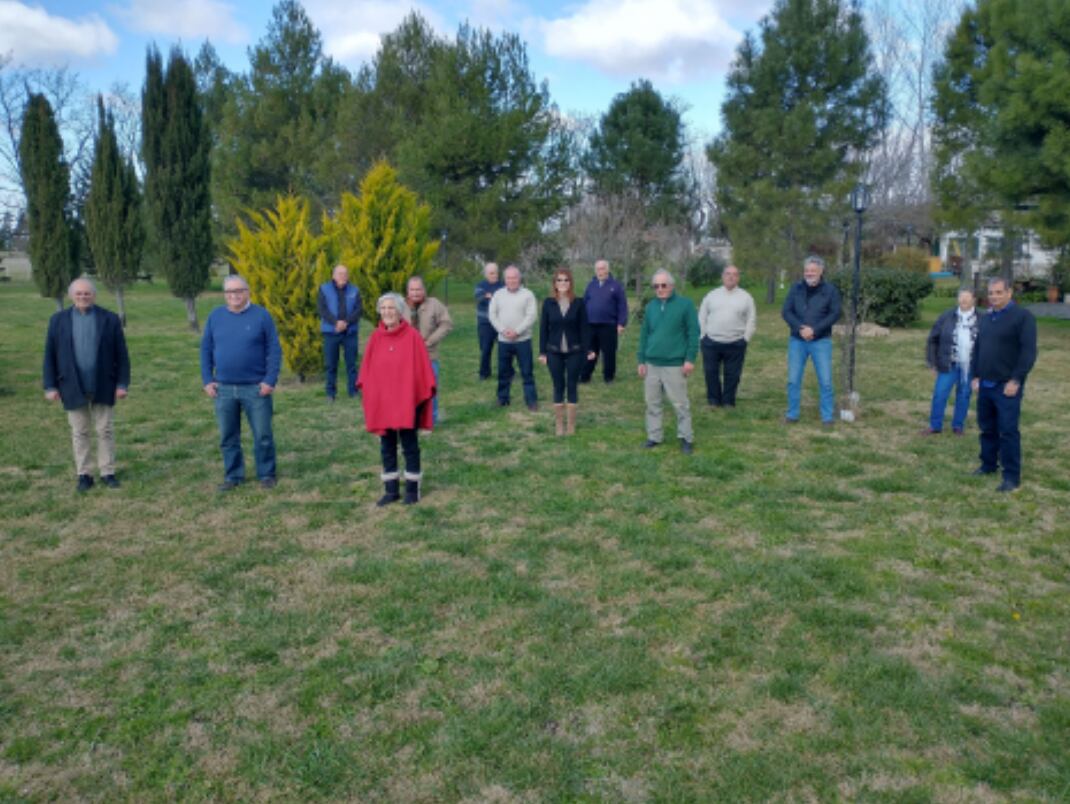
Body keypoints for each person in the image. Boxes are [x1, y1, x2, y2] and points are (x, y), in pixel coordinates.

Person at [42, 277, 131, 492]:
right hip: (72, 385)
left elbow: (122, 355)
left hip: (103, 384)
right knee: (80, 431)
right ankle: (85, 474)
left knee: (105, 430)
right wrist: (50, 386)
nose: (83, 297)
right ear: (72, 296)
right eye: (79, 294)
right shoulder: (58, 321)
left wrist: (122, 384)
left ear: (94, 295)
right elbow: (50, 355)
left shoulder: (109, 319)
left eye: (87, 293)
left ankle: (107, 472)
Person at [200, 275, 282, 492]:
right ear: (225, 295)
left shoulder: (262, 316)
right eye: (229, 292)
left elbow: (274, 350)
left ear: (247, 292)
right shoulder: (215, 317)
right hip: (224, 388)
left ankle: (266, 473)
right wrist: (208, 379)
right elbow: (206, 349)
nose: (234, 296)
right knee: (228, 436)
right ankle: (234, 475)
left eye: (238, 291)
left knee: (263, 435)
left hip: (256, 388)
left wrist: (269, 380)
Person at [358, 293, 436, 505]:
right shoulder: (375, 338)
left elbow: (422, 371)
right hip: (384, 402)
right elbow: (367, 372)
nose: (387, 312)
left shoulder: (412, 336)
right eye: (383, 308)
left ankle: (412, 490)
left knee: (409, 444)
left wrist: (416, 396)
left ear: (400, 311)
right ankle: (391, 490)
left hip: (407, 401)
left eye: (391, 308)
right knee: (387, 445)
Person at [970, 277, 1037, 492]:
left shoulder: (1022, 317)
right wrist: (975, 375)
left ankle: (1011, 476)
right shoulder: (987, 318)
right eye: (991, 293)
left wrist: (1016, 379)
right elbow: (978, 348)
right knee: (987, 428)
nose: (994, 297)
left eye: (999, 292)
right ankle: (988, 464)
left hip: (1007, 386)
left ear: (1009, 293)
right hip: (985, 385)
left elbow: (1028, 352)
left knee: (1007, 431)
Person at [638, 269, 700, 454]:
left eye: (663, 285)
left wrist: (690, 359)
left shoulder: (685, 305)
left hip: (674, 363)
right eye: (656, 286)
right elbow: (644, 335)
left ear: (672, 286)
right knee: (652, 403)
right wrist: (641, 360)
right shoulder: (650, 307)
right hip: (652, 363)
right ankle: (654, 436)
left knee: (680, 403)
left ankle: (686, 437)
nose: (660, 289)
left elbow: (693, 333)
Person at [781, 255, 842, 426]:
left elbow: (835, 313)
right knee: (793, 380)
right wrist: (801, 328)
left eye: (813, 271)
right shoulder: (796, 288)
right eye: (807, 270)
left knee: (825, 381)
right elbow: (786, 311)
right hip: (797, 340)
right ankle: (792, 415)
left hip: (821, 341)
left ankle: (827, 417)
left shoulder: (830, 290)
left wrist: (815, 330)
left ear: (821, 271)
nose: (809, 273)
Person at [539, 268, 595, 435]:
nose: (562, 283)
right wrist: (542, 352)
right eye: (559, 280)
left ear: (570, 283)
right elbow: (543, 329)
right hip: (553, 351)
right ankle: (559, 424)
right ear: (555, 283)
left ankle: (571, 425)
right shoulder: (548, 303)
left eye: (566, 280)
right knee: (558, 385)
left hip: (575, 351)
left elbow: (585, 328)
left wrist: (589, 349)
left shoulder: (579, 303)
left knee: (571, 385)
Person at [698, 264, 757, 408]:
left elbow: (751, 319)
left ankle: (728, 401)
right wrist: (703, 335)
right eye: (728, 274)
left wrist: (745, 338)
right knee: (711, 372)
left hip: (735, 342)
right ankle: (713, 400)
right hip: (711, 342)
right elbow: (702, 316)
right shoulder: (712, 295)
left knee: (733, 375)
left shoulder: (746, 297)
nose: (731, 277)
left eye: (735, 274)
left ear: (738, 278)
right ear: (722, 276)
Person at [923, 288, 979, 435]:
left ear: (974, 299)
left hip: (970, 365)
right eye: (961, 297)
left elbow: (988, 344)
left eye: (967, 297)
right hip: (949, 363)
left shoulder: (982, 318)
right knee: (940, 393)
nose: (964, 300)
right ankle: (935, 426)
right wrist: (932, 362)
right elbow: (933, 339)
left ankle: (958, 426)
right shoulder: (947, 316)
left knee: (964, 394)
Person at [488, 264, 539, 411]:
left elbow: (532, 316)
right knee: (503, 372)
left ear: (519, 278)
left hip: (523, 340)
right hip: (504, 341)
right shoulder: (498, 294)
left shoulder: (528, 294)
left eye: (514, 277)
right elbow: (492, 315)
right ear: (505, 279)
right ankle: (502, 398)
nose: (512, 280)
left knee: (527, 372)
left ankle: (531, 401)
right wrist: (503, 330)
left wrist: (517, 331)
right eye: (509, 278)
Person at [406, 275, 452, 424]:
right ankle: (411, 420)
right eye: (412, 289)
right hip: (407, 358)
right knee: (409, 391)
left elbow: (446, 324)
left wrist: (430, 341)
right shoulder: (401, 307)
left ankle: (430, 421)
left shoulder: (434, 304)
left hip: (429, 357)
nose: (415, 293)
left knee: (430, 390)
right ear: (408, 291)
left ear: (424, 290)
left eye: (418, 289)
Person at [316, 264, 361, 402]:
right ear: (333, 275)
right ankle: (330, 393)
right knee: (330, 365)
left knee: (352, 364)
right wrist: (336, 323)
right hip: (331, 331)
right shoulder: (324, 289)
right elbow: (322, 310)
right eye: (340, 273)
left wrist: (345, 323)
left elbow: (359, 310)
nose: (343, 276)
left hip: (350, 332)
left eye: (345, 274)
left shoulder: (354, 290)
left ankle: (353, 391)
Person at [581, 259, 628, 384]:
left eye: (602, 268)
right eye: (597, 269)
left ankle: (608, 377)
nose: (600, 271)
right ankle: (585, 376)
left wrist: (621, 323)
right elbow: (584, 303)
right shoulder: (591, 285)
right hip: (590, 324)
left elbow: (622, 306)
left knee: (609, 353)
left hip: (609, 325)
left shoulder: (616, 286)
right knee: (590, 352)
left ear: (607, 269)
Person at [474, 262, 504, 380]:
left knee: (505, 349)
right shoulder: (480, 285)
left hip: (501, 322)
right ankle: (484, 373)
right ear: (486, 274)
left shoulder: (503, 286)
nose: (494, 275)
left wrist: (491, 296)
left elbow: (504, 301)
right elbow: (480, 298)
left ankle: (507, 372)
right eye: (491, 273)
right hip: (485, 323)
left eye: (496, 272)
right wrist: (491, 297)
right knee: (485, 349)